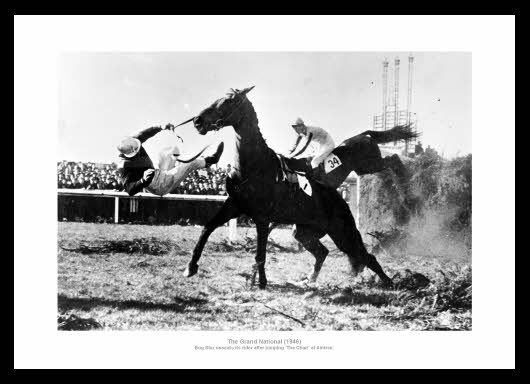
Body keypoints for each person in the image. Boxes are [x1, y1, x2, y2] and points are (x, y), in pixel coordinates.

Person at [116, 123, 224, 196]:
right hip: (158, 186)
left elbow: (145, 133)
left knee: (168, 151)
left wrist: (161, 127)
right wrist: (143, 181)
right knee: (190, 164)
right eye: (136, 151)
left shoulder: (133, 142)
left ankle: (180, 164)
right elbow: (129, 190)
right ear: (129, 154)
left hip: (158, 172)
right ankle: (211, 160)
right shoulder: (124, 166)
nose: (139, 150)